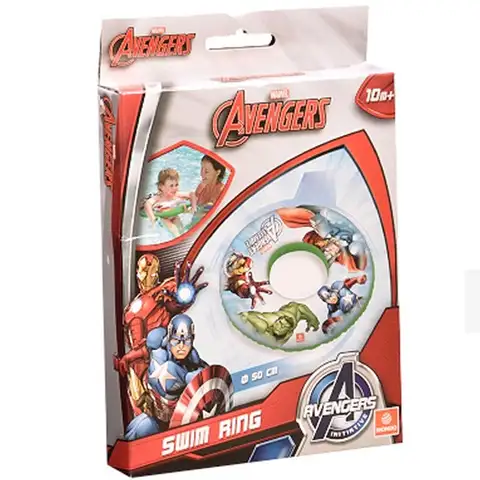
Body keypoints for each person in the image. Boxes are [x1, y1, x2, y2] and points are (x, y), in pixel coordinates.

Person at [143, 168, 197, 237]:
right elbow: (147, 204)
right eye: (171, 186)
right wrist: (152, 218)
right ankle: (177, 238)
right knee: (174, 230)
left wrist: (193, 207)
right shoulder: (158, 198)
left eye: (176, 185)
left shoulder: (177, 195)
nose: (175, 188)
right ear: (161, 187)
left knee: (181, 230)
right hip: (163, 218)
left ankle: (182, 239)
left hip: (174, 216)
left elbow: (192, 194)